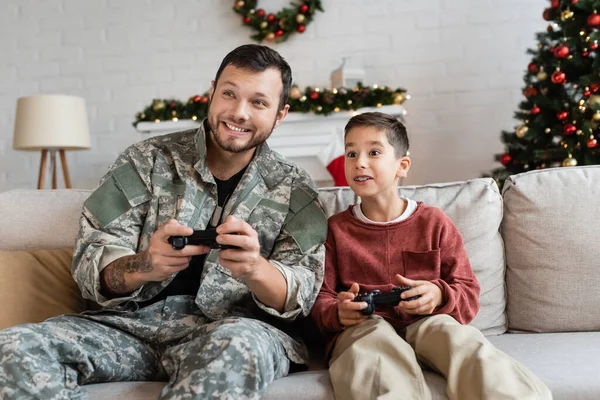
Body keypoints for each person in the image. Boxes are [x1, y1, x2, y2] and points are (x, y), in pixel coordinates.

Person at [0, 44, 327, 400]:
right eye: (229, 94)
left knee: (233, 346)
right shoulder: (145, 160)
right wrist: (145, 264)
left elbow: (303, 293)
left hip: (232, 332)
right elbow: (91, 262)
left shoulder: (297, 189)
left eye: (259, 102)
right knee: (13, 348)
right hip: (129, 328)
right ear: (212, 92)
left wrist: (256, 269)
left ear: (280, 115)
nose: (238, 112)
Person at [310, 112, 552, 400]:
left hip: (428, 322)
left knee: (462, 342)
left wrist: (438, 295)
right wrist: (338, 311)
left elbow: (468, 291)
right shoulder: (335, 230)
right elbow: (319, 299)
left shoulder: (433, 222)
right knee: (370, 354)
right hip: (365, 326)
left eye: (373, 152)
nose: (359, 161)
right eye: (351, 153)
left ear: (402, 166)